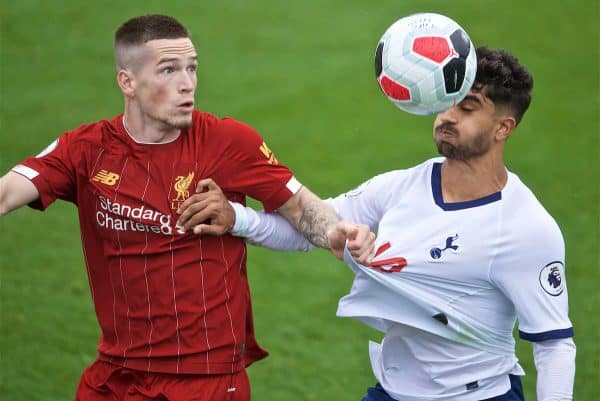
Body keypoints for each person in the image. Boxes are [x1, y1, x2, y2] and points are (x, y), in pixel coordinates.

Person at [0, 14, 373, 401]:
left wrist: (335, 231)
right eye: (168, 70)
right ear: (127, 82)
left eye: (191, 68)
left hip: (204, 380)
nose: (187, 83)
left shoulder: (226, 141)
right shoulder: (87, 150)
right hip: (115, 375)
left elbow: (299, 207)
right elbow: (7, 193)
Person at [177, 47, 576, 400]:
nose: (447, 116)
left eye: (467, 108)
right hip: (392, 390)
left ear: (503, 128)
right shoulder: (401, 186)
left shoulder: (526, 228)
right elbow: (308, 230)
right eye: (447, 101)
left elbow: (554, 344)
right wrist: (236, 218)